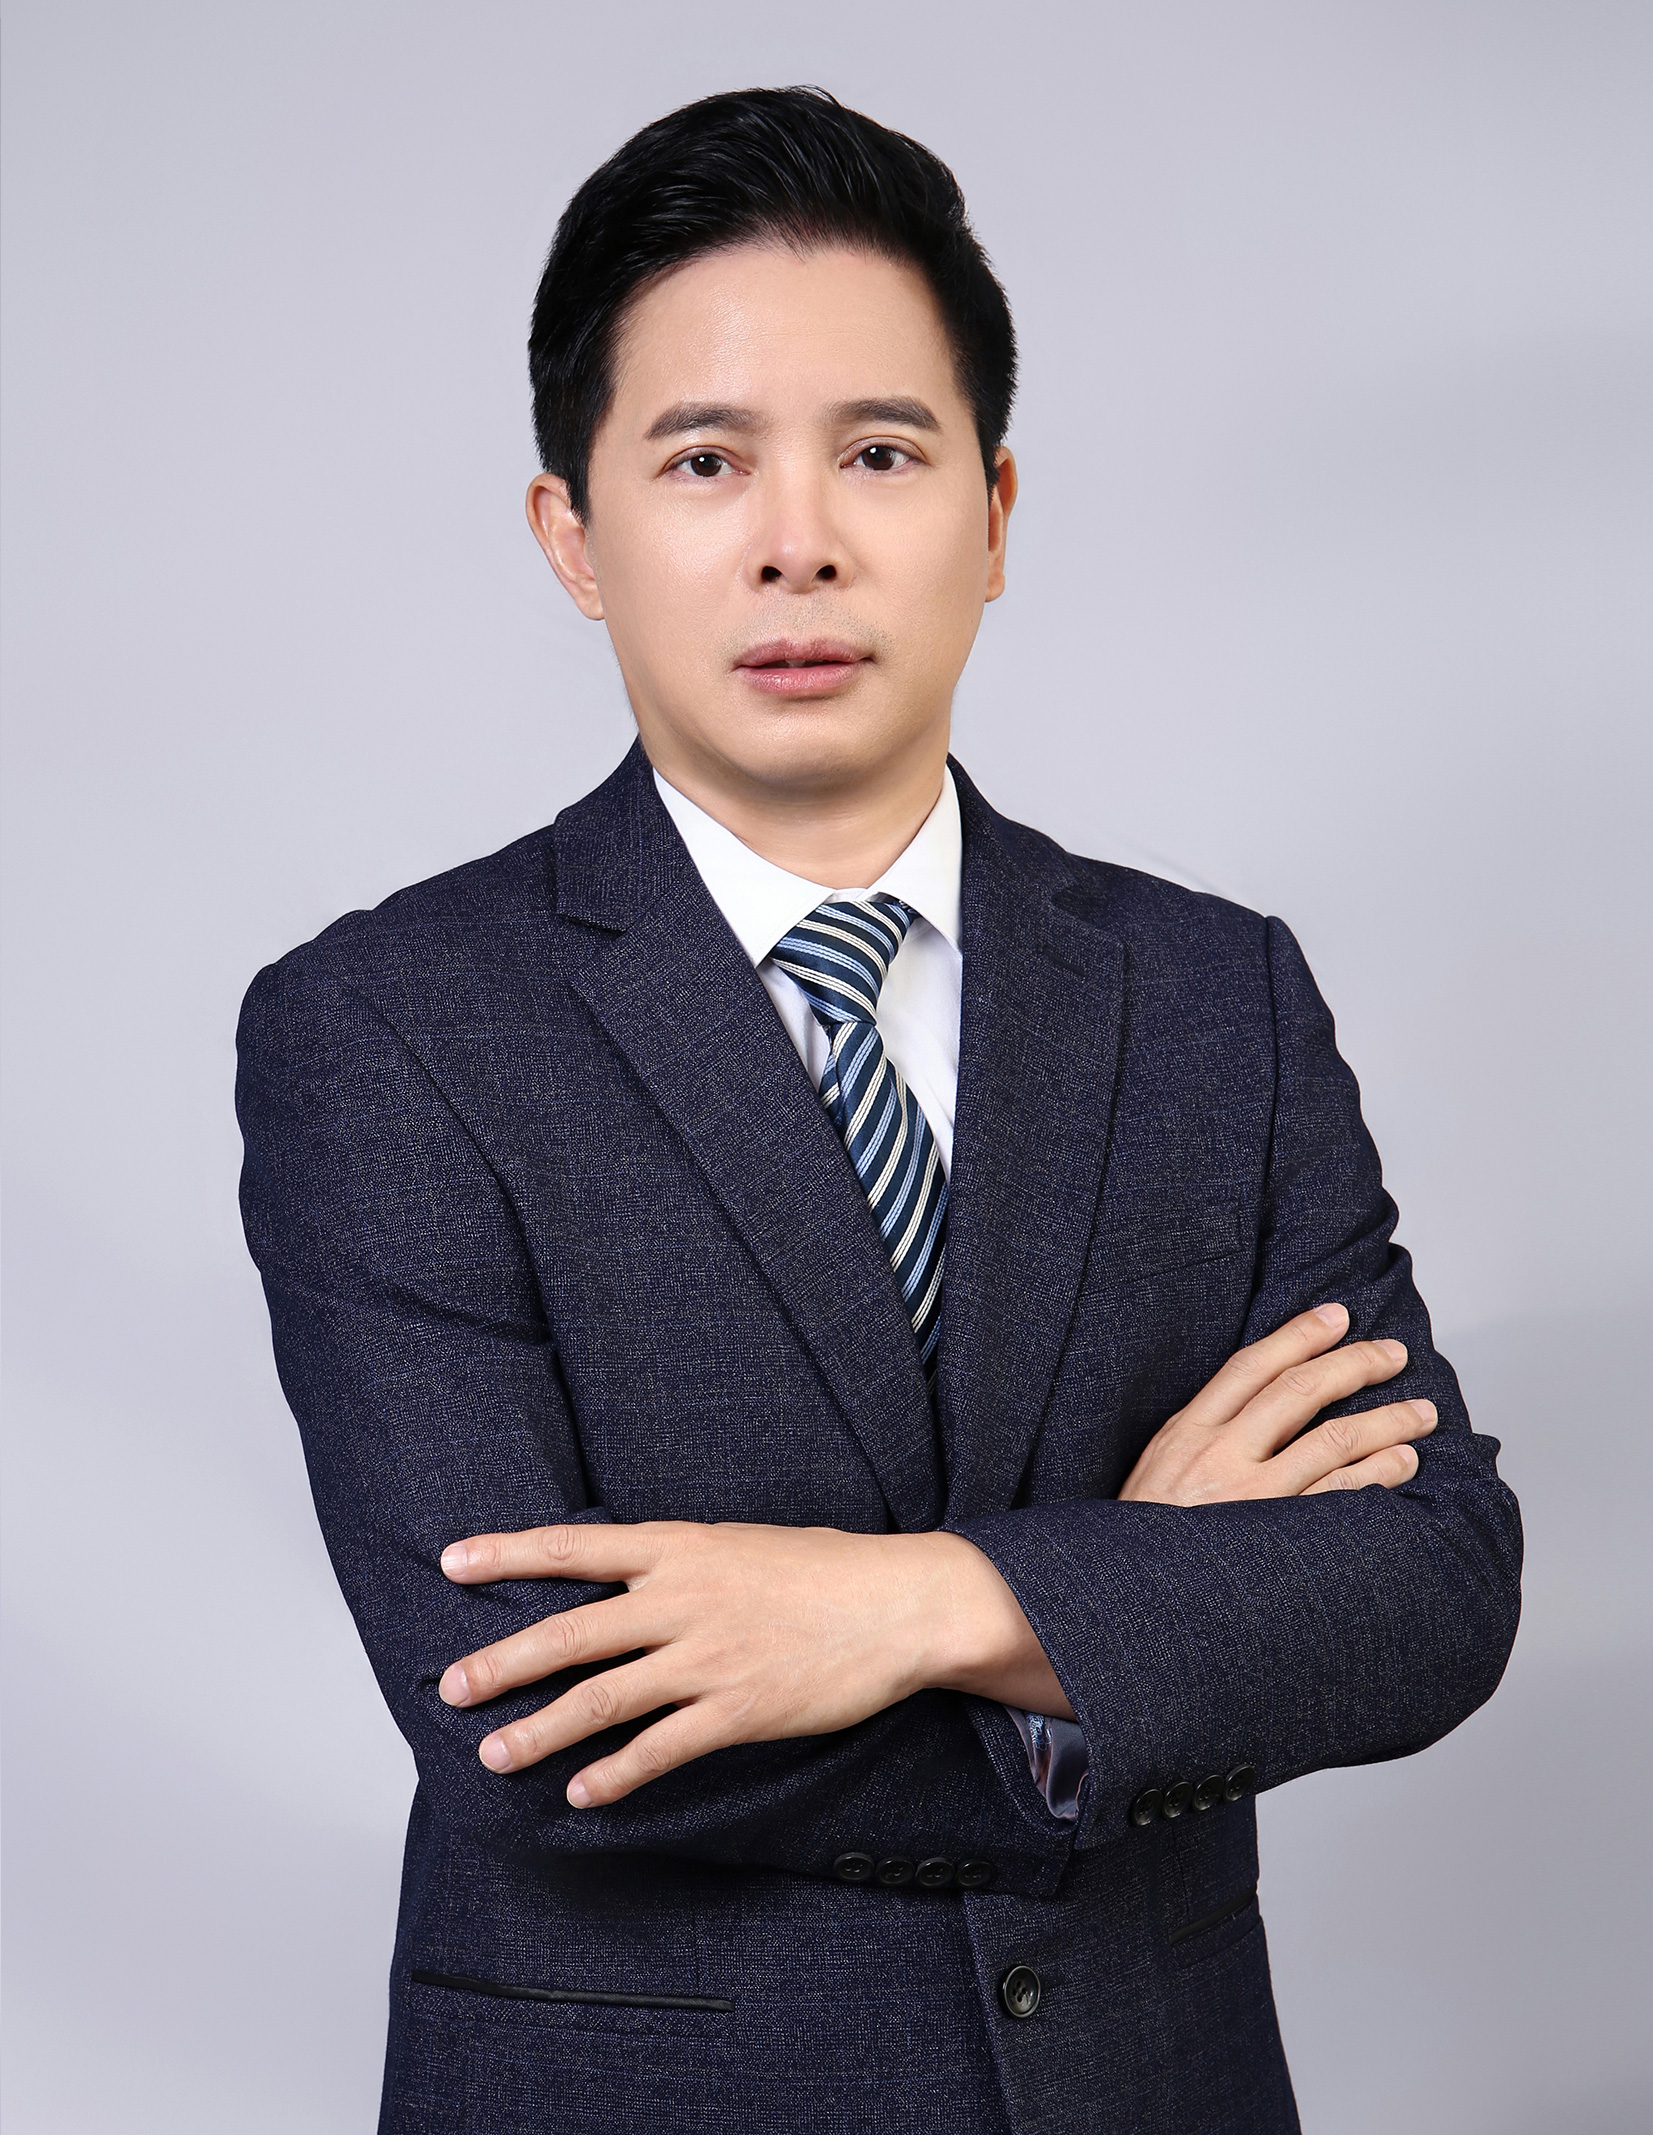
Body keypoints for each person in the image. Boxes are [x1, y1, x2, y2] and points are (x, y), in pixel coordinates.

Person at [235, 86, 1522, 2135]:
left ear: (992, 515)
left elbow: (1428, 1587)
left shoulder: (1214, 1000)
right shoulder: (386, 1030)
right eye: (703, 460)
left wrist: (903, 1607)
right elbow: (537, 1728)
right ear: (572, 536)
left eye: (880, 453)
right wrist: (1131, 1607)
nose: (798, 537)